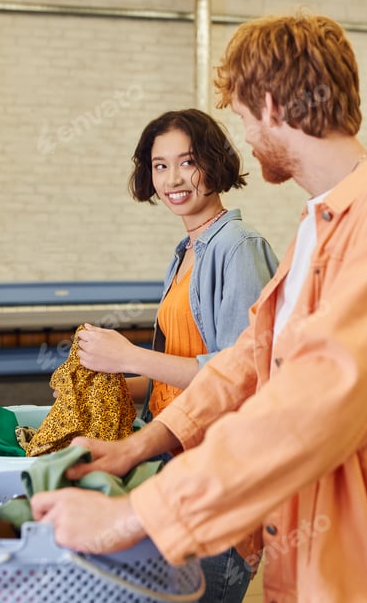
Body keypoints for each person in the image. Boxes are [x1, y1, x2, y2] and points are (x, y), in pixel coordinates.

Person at [31, 14, 367, 602]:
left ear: (270, 106)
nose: (243, 136)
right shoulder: (319, 222)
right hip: (302, 545)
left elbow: (318, 396)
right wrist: (139, 447)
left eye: (243, 117)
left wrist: (134, 516)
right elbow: (250, 359)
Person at [76, 108, 278, 602]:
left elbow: (242, 373)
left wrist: (130, 356)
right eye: (160, 165)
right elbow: (185, 366)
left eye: (188, 162)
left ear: (215, 162)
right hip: (170, 456)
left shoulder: (239, 246)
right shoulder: (187, 250)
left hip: (216, 471)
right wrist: (116, 383)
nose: (173, 179)